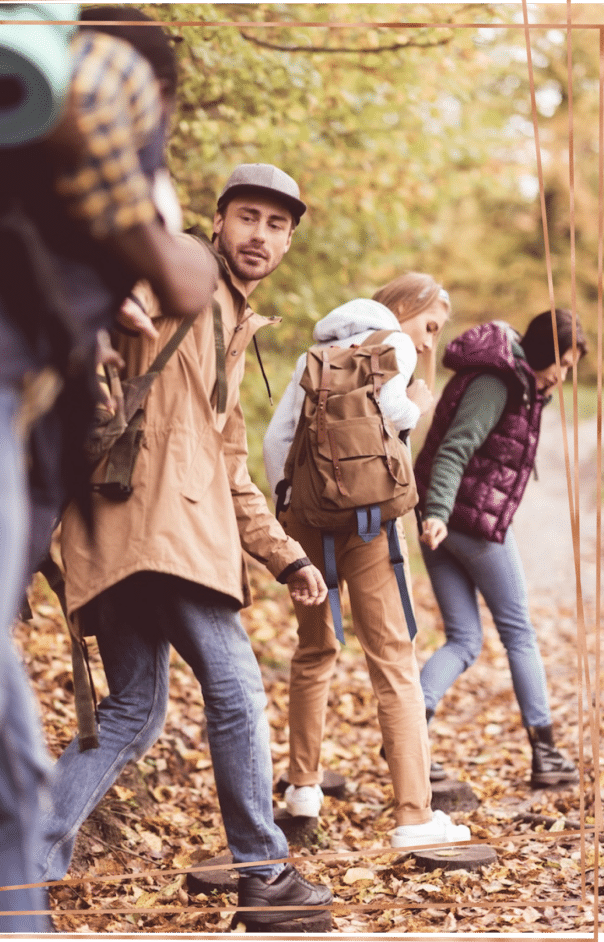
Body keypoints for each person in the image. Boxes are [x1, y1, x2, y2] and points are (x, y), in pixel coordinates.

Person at [36, 164, 334, 932]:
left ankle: (22, 864)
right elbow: (131, 256)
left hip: (131, 529)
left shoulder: (231, 324)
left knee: (134, 710)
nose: (259, 236)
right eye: (248, 217)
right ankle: (261, 871)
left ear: (290, 240)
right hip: (163, 528)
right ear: (218, 220)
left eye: (277, 225)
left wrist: (287, 556)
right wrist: (121, 284)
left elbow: (227, 464)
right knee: (237, 688)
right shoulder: (188, 272)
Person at [0, 6, 216, 933]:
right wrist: (155, 228)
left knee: (57, 735)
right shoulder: (110, 76)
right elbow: (185, 278)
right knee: (4, 740)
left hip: (36, 454)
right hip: (35, 454)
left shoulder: (30, 192)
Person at [263, 274, 471, 849]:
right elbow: (394, 409)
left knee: (315, 649)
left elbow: (278, 439)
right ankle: (412, 814)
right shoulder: (392, 344)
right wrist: (418, 406)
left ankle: (303, 787)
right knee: (393, 661)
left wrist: (289, 514)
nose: (428, 343)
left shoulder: (317, 353)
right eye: (429, 325)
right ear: (402, 309)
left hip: (306, 523)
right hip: (369, 524)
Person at [414, 310, 587, 787]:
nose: (564, 374)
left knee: (464, 640)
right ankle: (546, 752)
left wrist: (434, 516)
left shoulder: (517, 379)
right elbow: (454, 447)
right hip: (466, 520)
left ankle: (411, 732)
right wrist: (437, 513)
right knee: (518, 632)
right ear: (545, 352)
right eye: (564, 363)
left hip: (445, 521)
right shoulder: (497, 382)